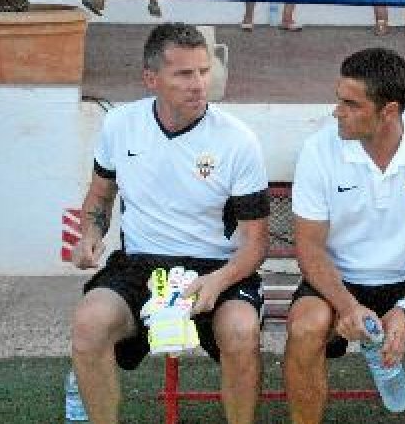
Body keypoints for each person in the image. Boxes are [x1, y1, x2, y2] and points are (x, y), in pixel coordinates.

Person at [69, 23, 270, 424]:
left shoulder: (237, 140)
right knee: (89, 323)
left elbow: (254, 243)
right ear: (151, 79)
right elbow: (100, 194)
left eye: (203, 71)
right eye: (184, 74)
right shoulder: (120, 124)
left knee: (240, 332)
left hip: (217, 268)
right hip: (140, 264)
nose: (198, 84)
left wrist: (217, 282)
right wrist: (89, 235)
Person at [285, 48, 405, 423]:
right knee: (305, 326)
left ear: (388, 111)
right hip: (339, 281)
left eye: (350, 104)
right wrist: (347, 306)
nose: (336, 111)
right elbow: (309, 248)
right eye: (338, 99)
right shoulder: (318, 150)